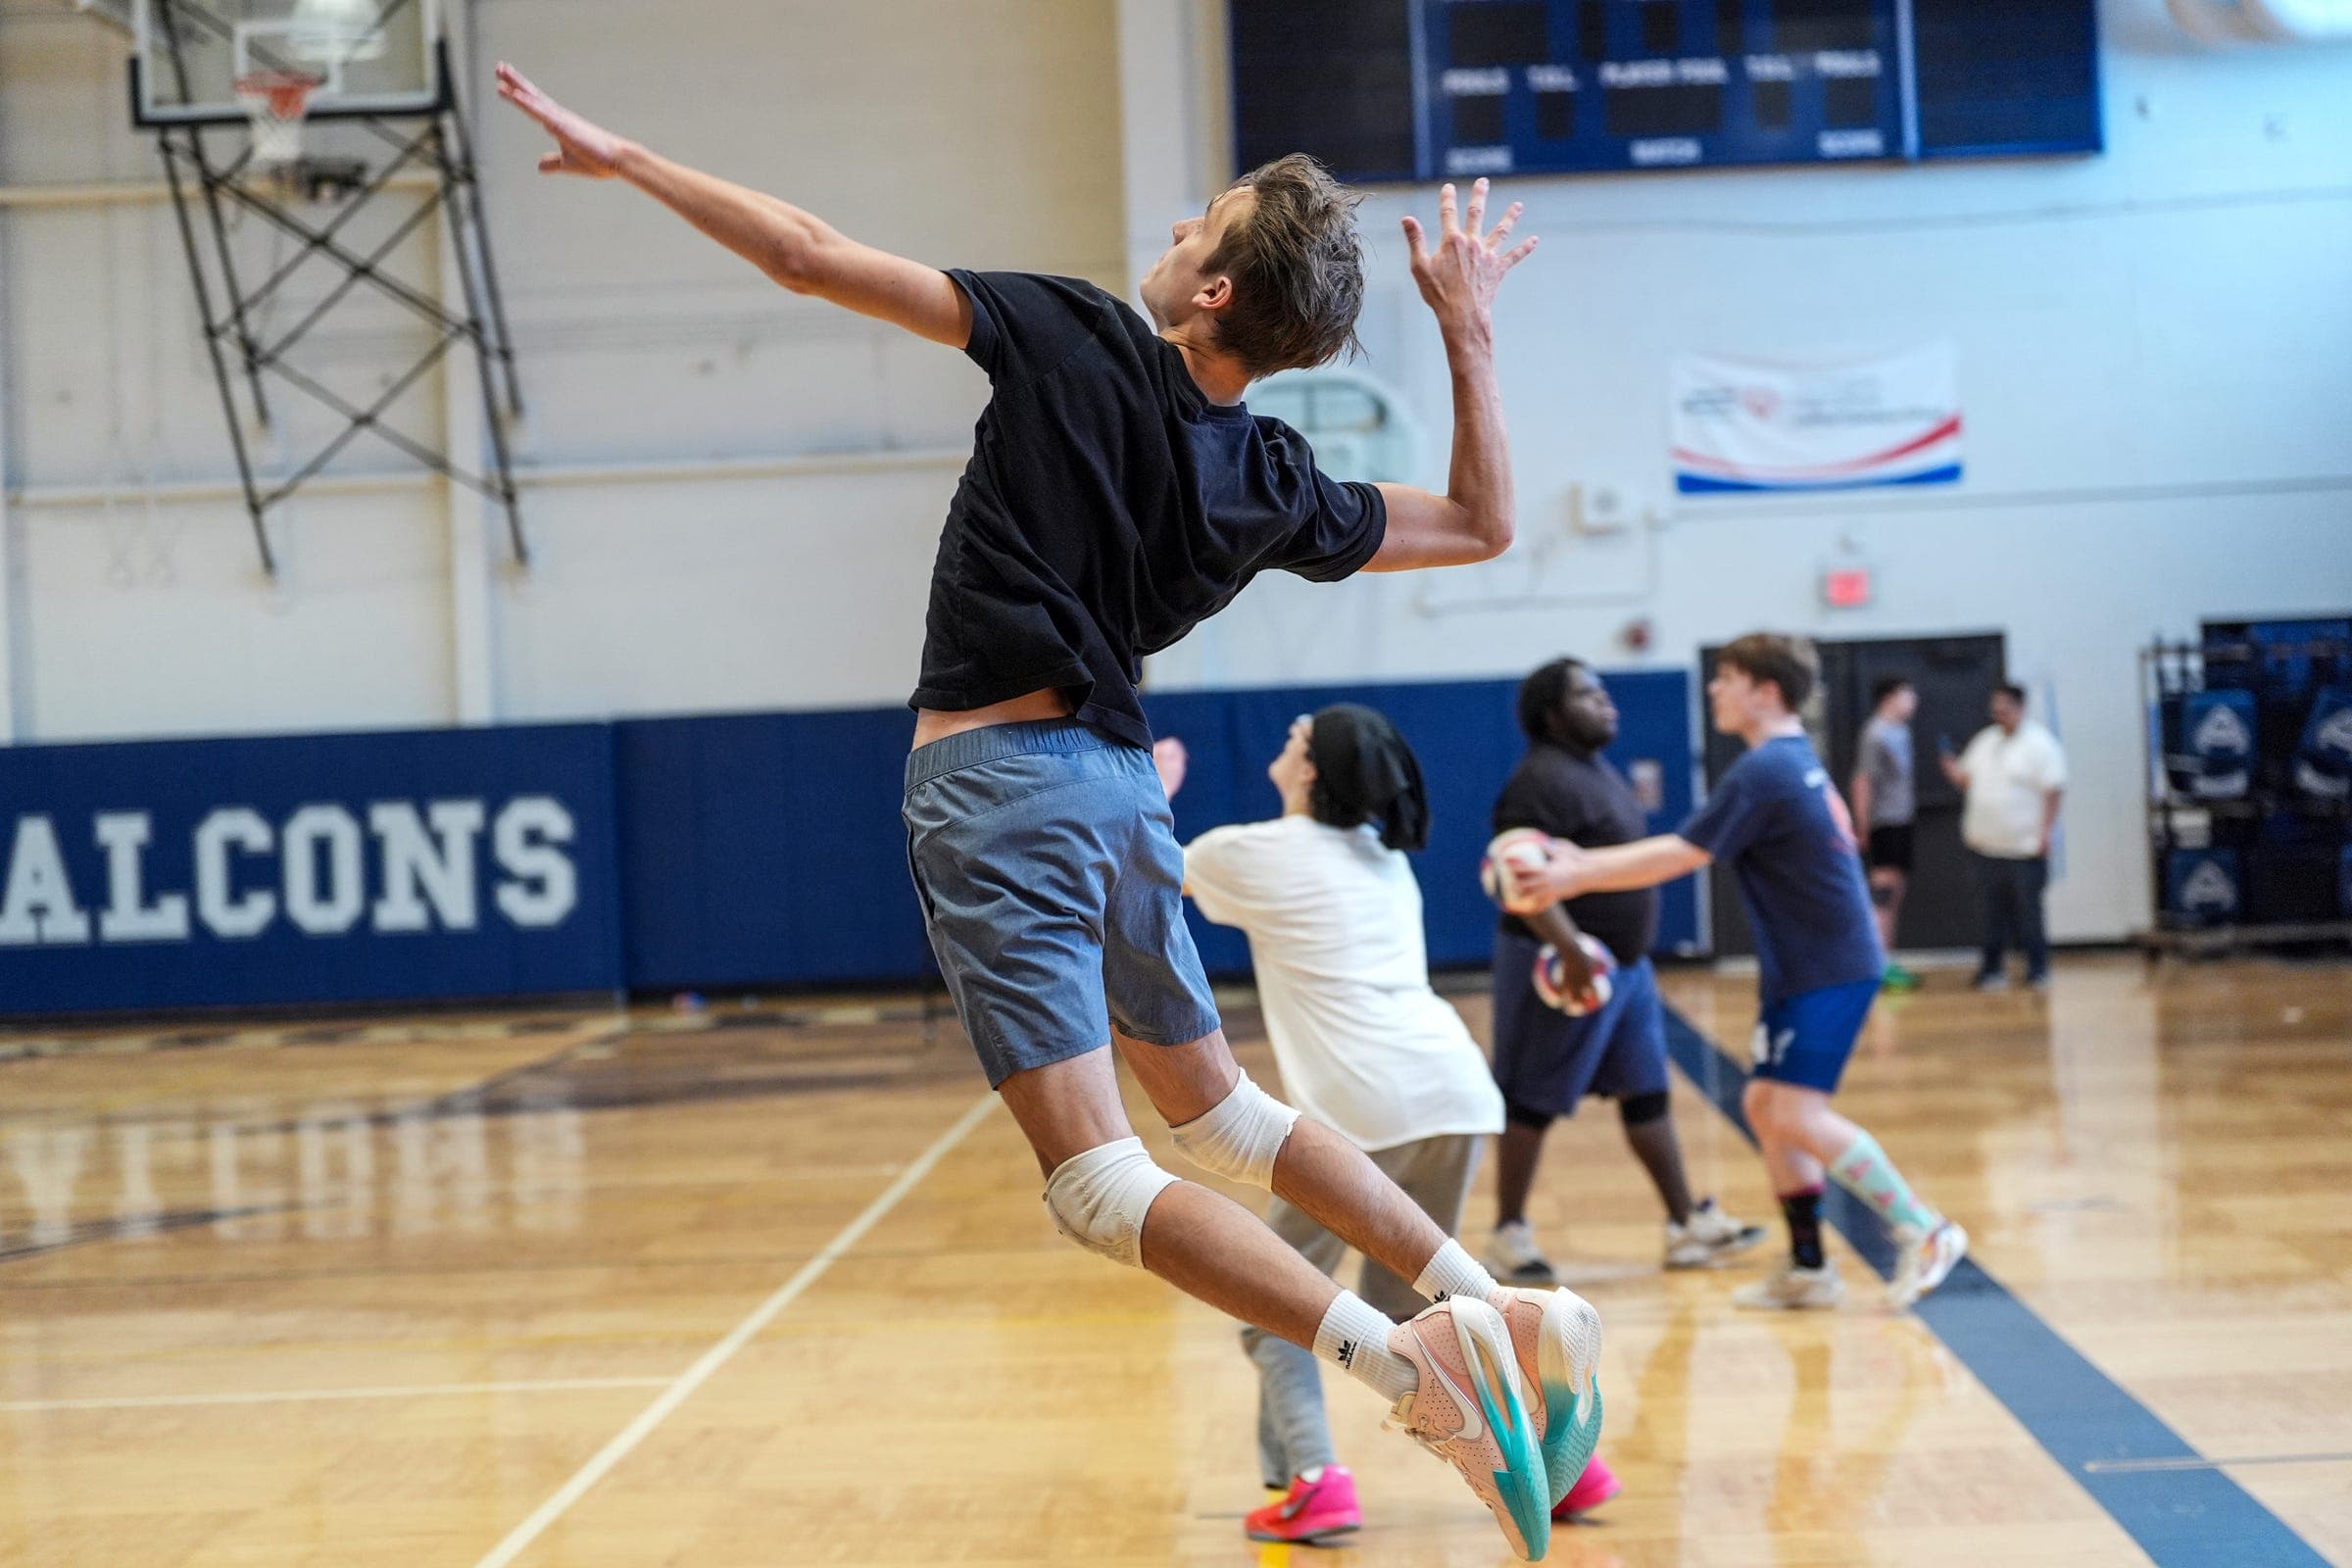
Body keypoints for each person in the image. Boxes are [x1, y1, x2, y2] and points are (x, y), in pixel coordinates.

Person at [497, 67, 1596, 1561]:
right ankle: (1493, 1299)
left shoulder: (1076, 331)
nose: (1177, 221)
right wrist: (1468, 330)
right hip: (1116, 792)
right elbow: (1482, 524)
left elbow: (807, 256)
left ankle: (1410, 1365)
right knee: (1229, 1117)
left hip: (997, 785)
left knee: (1099, 1181)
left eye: (1201, 218)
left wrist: (632, 159)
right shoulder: (1267, 475)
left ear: (1209, 289)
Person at [1161, 710, 1621, 1544]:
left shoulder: (1252, 850)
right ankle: (1568, 1467)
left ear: (1311, 772)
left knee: (1274, 1300)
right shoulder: (1384, 860)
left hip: (1360, 1110)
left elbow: (1140, 871)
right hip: (1452, 1091)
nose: (1287, 735)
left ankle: (1316, 1482)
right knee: (1417, 1296)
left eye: (1297, 735)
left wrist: (1149, 793)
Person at [1508, 635, 1968, 1312]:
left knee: (1795, 1112)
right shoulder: (1785, 761)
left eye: (1726, 679)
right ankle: (1810, 1267)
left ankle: (1924, 1229)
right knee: (1764, 1106)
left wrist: (1575, 871)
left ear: (1767, 691)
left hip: (1829, 966)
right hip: (1803, 966)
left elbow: (1684, 853)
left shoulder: (1769, 770)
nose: (1714, 690)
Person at [1482, 659, 1765, 1287]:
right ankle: (1508, 1234)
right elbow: (1513, 872)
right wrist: (1572, 950)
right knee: (1530, 1100)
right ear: (1553, 715)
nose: (1606, 704)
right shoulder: (1538, 781)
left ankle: (1685, 1222)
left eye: (1604, 693)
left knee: (1647, 1092)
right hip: (1560, 968)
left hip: (1625, 972)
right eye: (1588, 695)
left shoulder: (1593, 768)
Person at [1942, 684, 2067, 992]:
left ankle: (2037, 970)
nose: (1998, 716)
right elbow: (1967, 779)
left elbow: (2054, 790)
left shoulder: (2041, 745)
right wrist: (1951, 769)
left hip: (2024, 848)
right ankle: (1991, 970)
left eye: (2004, 710)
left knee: (2028, 913)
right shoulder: (1985, 741)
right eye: (1995, 710)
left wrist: (2046, 832)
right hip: (1985, 846)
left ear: (2020, 708)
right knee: (1990, 914)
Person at [1849, 676, 1921, 992]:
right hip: (1884, 823)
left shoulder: (1900, 731)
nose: (1913, 700)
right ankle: (1875, 965)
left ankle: (1885, 961)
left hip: (1902, 821)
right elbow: (1862, 781)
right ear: (1889, 698)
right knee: (1882, 895)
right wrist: (1863, 826)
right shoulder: (1875, 733)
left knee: (1895, 893)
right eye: (1908, 694)